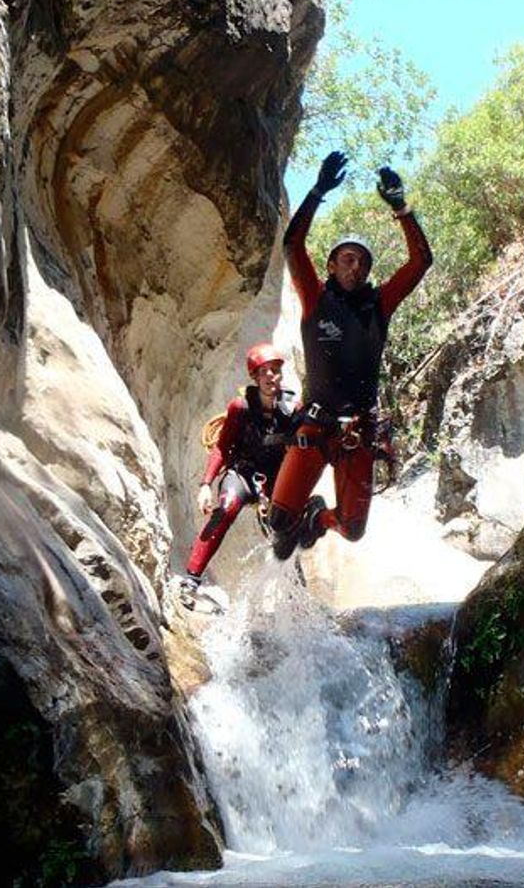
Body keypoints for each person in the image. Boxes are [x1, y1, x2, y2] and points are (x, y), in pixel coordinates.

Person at [268, 150, 433, 560]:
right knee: (277, 522)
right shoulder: (315, 298)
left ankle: (319, 517)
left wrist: (400, 206)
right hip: (315, 425)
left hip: (358, 431)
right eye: (347, 259)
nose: (355, 267)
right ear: (331, 265)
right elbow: (292, 244)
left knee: (353, 529)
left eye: (362, 262)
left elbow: (420, 261)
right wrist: (319, 190)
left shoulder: (378, 305)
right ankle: (299, 519)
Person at [182, 342, 298, 606]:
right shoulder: (241, 407)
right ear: (255, 378)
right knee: (225, 509)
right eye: (264, 372)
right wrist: (205, 485)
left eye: (275, 371)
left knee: (285, 530)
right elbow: (222, 447)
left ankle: (295, 595)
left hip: (275, 479)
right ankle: (190, 580)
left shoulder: (293, 408)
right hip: (243, 474)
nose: (270, 376)